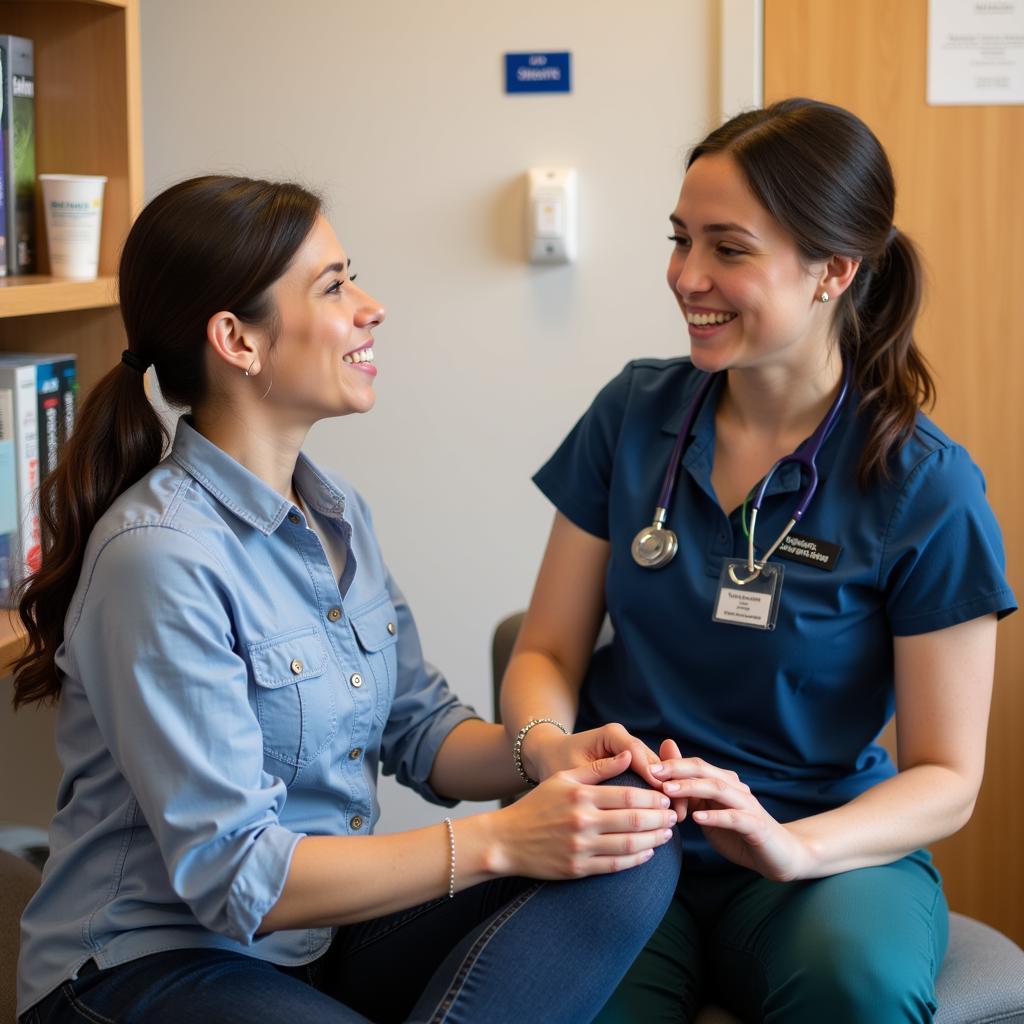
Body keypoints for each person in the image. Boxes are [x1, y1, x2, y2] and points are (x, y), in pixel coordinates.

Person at [12, 175, 683, 1024]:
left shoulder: (336, 514)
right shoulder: (158, 558)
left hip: (312, 944)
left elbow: (420, 727)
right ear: (236, 340)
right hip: (147, 967)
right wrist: (505, 838)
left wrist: (549, 756)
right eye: (333, 286)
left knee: (630, 852)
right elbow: (237, 875)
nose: (371, 308)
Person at [500, 98, 1017, 1023]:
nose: (686, 276)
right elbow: (542, 651)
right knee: (561, 1002)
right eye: (680, 238)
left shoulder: (923, 487)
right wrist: (550, 754)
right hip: (628, 835)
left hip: (818, 850)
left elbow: (947, 777)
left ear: (835, 271)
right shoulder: (634, 415)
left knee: (853, 989)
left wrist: (795, 849)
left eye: (728, 249)